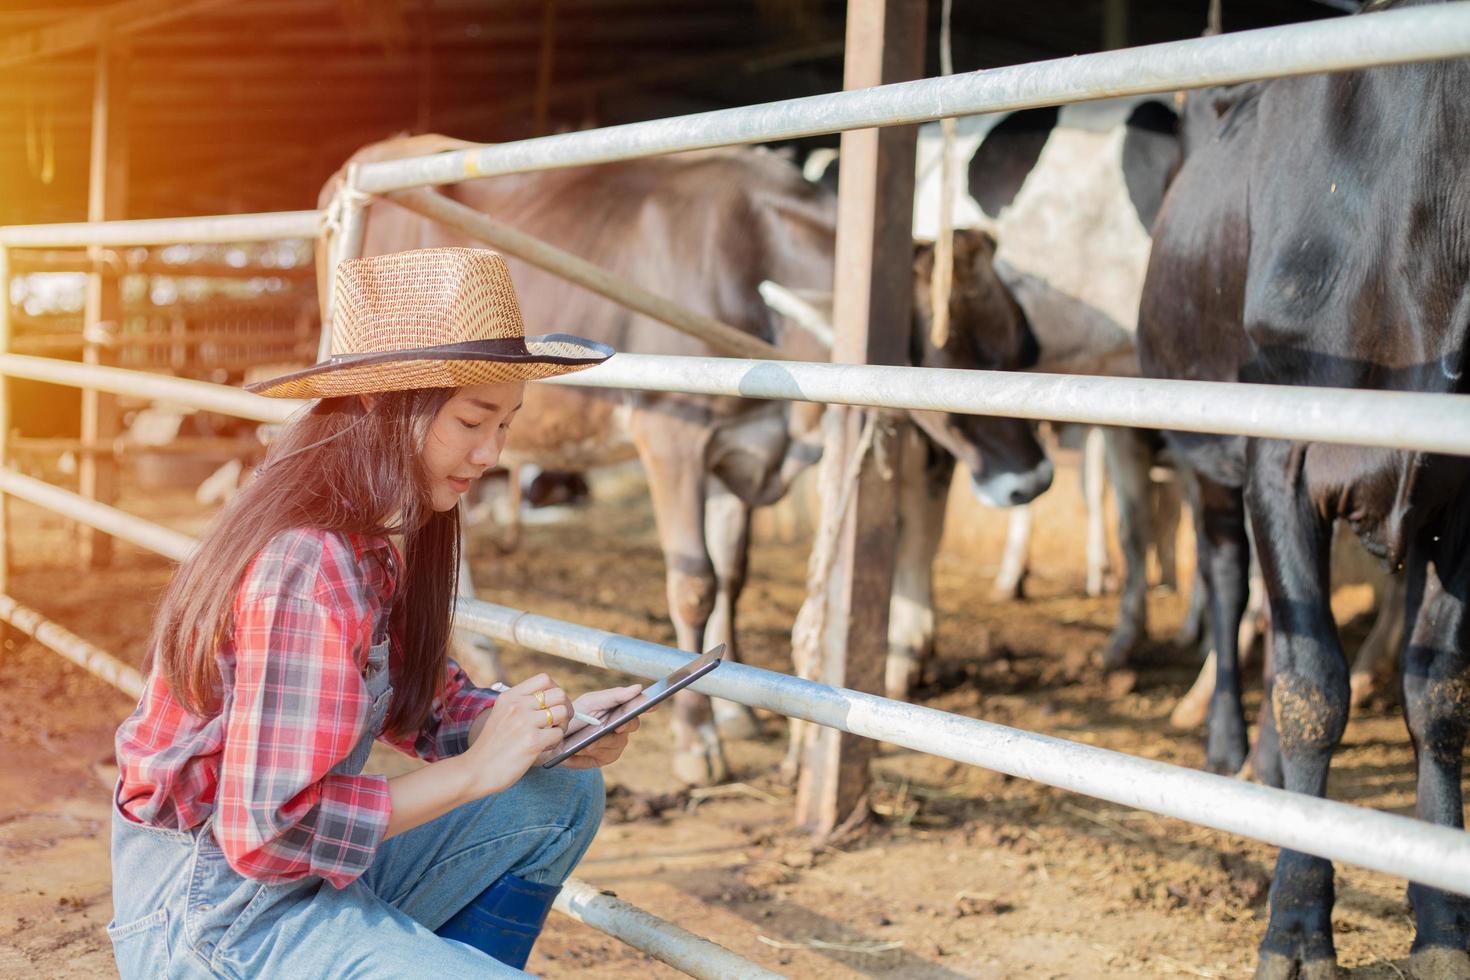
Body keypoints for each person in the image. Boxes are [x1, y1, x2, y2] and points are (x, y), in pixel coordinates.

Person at [108, 247, 631, 977]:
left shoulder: (377, 539)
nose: (490, 453)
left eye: (505, 426)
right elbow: (267, 834)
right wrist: (479, 771)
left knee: (561, 787)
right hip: (213, 916)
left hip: (296, 887)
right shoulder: (308, 565)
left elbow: (424, 704)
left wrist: (540, 733)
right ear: (387, 411)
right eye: (472, 421)